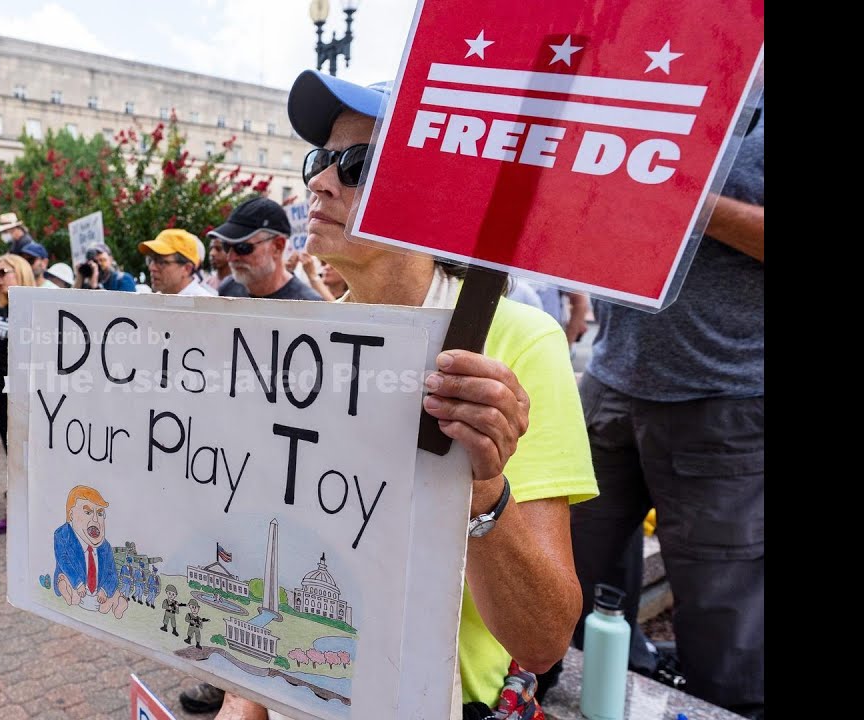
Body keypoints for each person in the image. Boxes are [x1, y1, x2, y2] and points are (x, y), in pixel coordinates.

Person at [194, 70, 596, 720]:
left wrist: (482, 487)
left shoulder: (519, 342)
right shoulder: (306, 346)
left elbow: (542, 640)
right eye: (319, 161)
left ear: (434, 195)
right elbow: (276, 535)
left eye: (356, 164)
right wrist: (247, 692)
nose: (320, 183)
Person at [568, 96, 764, 720]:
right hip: (612, 377)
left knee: (721, 624)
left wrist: (682, 200)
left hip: (723, 398)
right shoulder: (664, 84)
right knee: (574, 573)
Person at [0, 252, 35, 535]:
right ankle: (15, 509)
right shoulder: (2, 309)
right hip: (3, 392)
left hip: (26, 393)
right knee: (10, 452)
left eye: (3, 272)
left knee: (27, 455)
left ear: (20, 272)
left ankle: (26, 511)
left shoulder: (35, 307)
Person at [208, 197, 323, 301]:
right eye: (226, 246)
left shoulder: (307, 306)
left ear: (278, 246)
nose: (231, 258)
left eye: (242, 248)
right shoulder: (227, 289)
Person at [47, 485, 129, 618]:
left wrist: (104, 590)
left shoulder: (105, 547)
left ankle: (117, 604)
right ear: (71, 515)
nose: (95, 519)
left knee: (106, 604)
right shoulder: (63, 535)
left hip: (97, 592)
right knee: (70, 589)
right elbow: (64, 561)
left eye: (100, 514)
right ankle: (67, 591)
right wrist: (78, 583)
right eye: (88, 512)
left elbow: (112, 572)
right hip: (75, 585)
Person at [138, 229, 217, 296]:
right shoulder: (153, 301)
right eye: (150, 260)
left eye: (161, 262)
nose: (152, 267)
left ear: (187, 269)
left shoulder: (205, 305)